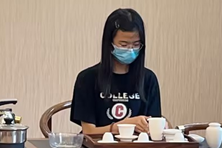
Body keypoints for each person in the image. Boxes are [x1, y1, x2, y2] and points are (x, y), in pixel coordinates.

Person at [70, 8, 163, 136]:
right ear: (109, 43)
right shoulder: (87, 78)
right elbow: (89, 132)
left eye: (136, 44)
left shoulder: (148, 79)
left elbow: (153, 124)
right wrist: (122, 126)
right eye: (123, 45)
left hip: (137, 147)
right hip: (98, 146)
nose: (130, 50)